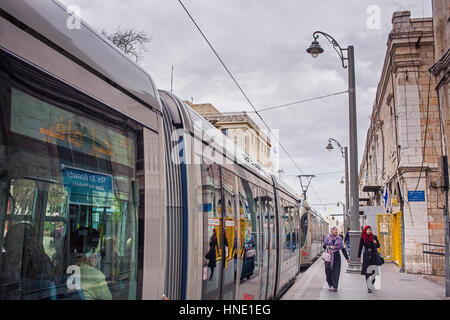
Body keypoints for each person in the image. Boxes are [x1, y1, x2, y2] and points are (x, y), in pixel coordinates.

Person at [322, 226, 350, 291]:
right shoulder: (327, 237)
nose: (336, 231)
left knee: (336, 271)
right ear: (332, 231)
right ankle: (330, 282)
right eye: (334, 230)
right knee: (328, 271)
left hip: (337, 256)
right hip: (329, 256)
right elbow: (324, 246)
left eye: (336, 230)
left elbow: (343, 249)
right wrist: (329, 246)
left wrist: (347, 258)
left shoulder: (339, 239)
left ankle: (335, 286)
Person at [357, 225, 380, 293]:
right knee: (367, 272)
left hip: (373, 256)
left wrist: (375, 243)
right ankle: (369, 287)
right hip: (366, 256)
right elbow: (360, 247)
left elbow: (379, 245)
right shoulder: (363, 238)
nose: (369, 231)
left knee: (373, 271)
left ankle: (372, 282)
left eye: (370, 229)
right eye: (367, 229)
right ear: (365, 231)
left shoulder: (374, 237)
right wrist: (358, 256)